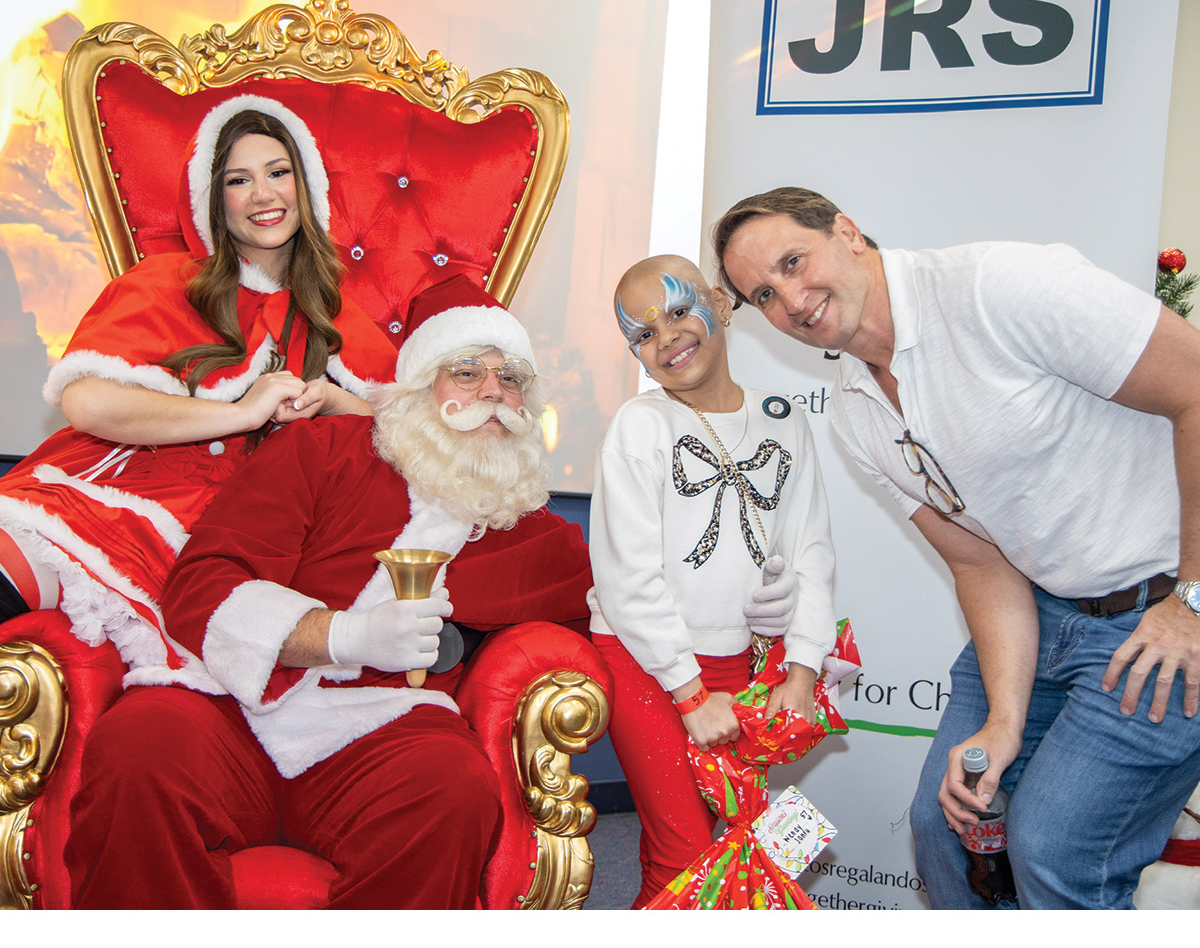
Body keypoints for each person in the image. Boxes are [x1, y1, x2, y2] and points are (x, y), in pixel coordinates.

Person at [713, 186, 1200, 909]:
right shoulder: (854, 407)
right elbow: (979, 559)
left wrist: (1192, 599)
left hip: (1161, 610)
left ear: (847, 231)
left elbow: (1196, 387)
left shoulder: (997, 287)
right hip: (1043, 611)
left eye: (793, 260)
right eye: (765, 292)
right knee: (944, 826)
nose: (792, 298)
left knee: (1054, 850)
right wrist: (1003, 721)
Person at [63, 277, 593, 909]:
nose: (494, 394)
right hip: (233, 703)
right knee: (138, 750)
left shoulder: (531, 531)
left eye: (512, 380)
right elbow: (204, 583)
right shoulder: (320, 450)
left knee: (452, 790)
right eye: (468, 370)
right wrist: (343, 635)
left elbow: (620, 600)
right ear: (420, 389)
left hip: (382, 730)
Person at [0, 96, 398, 682]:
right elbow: (86, 402)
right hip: (101, 499)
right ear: (215, 200)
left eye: (278, 173)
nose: (264, 195)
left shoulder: (339, 320)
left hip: (217, 545)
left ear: (305, 185)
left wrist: (342, 404)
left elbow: (415, 439)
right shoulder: (167, 282)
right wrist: (242, 411)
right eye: (240, 180)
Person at [587, 254, 837, 908]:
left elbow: (809, 548)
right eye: (641, 333)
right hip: (647, 661)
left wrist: (803, 671)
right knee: (687, 854)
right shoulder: (641, 426)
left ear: (721, 304)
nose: (665, 337)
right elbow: (626, 579)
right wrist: (691, 696)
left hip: (741, 663)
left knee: (737, 842)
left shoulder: (784, 417)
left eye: (677, 310)